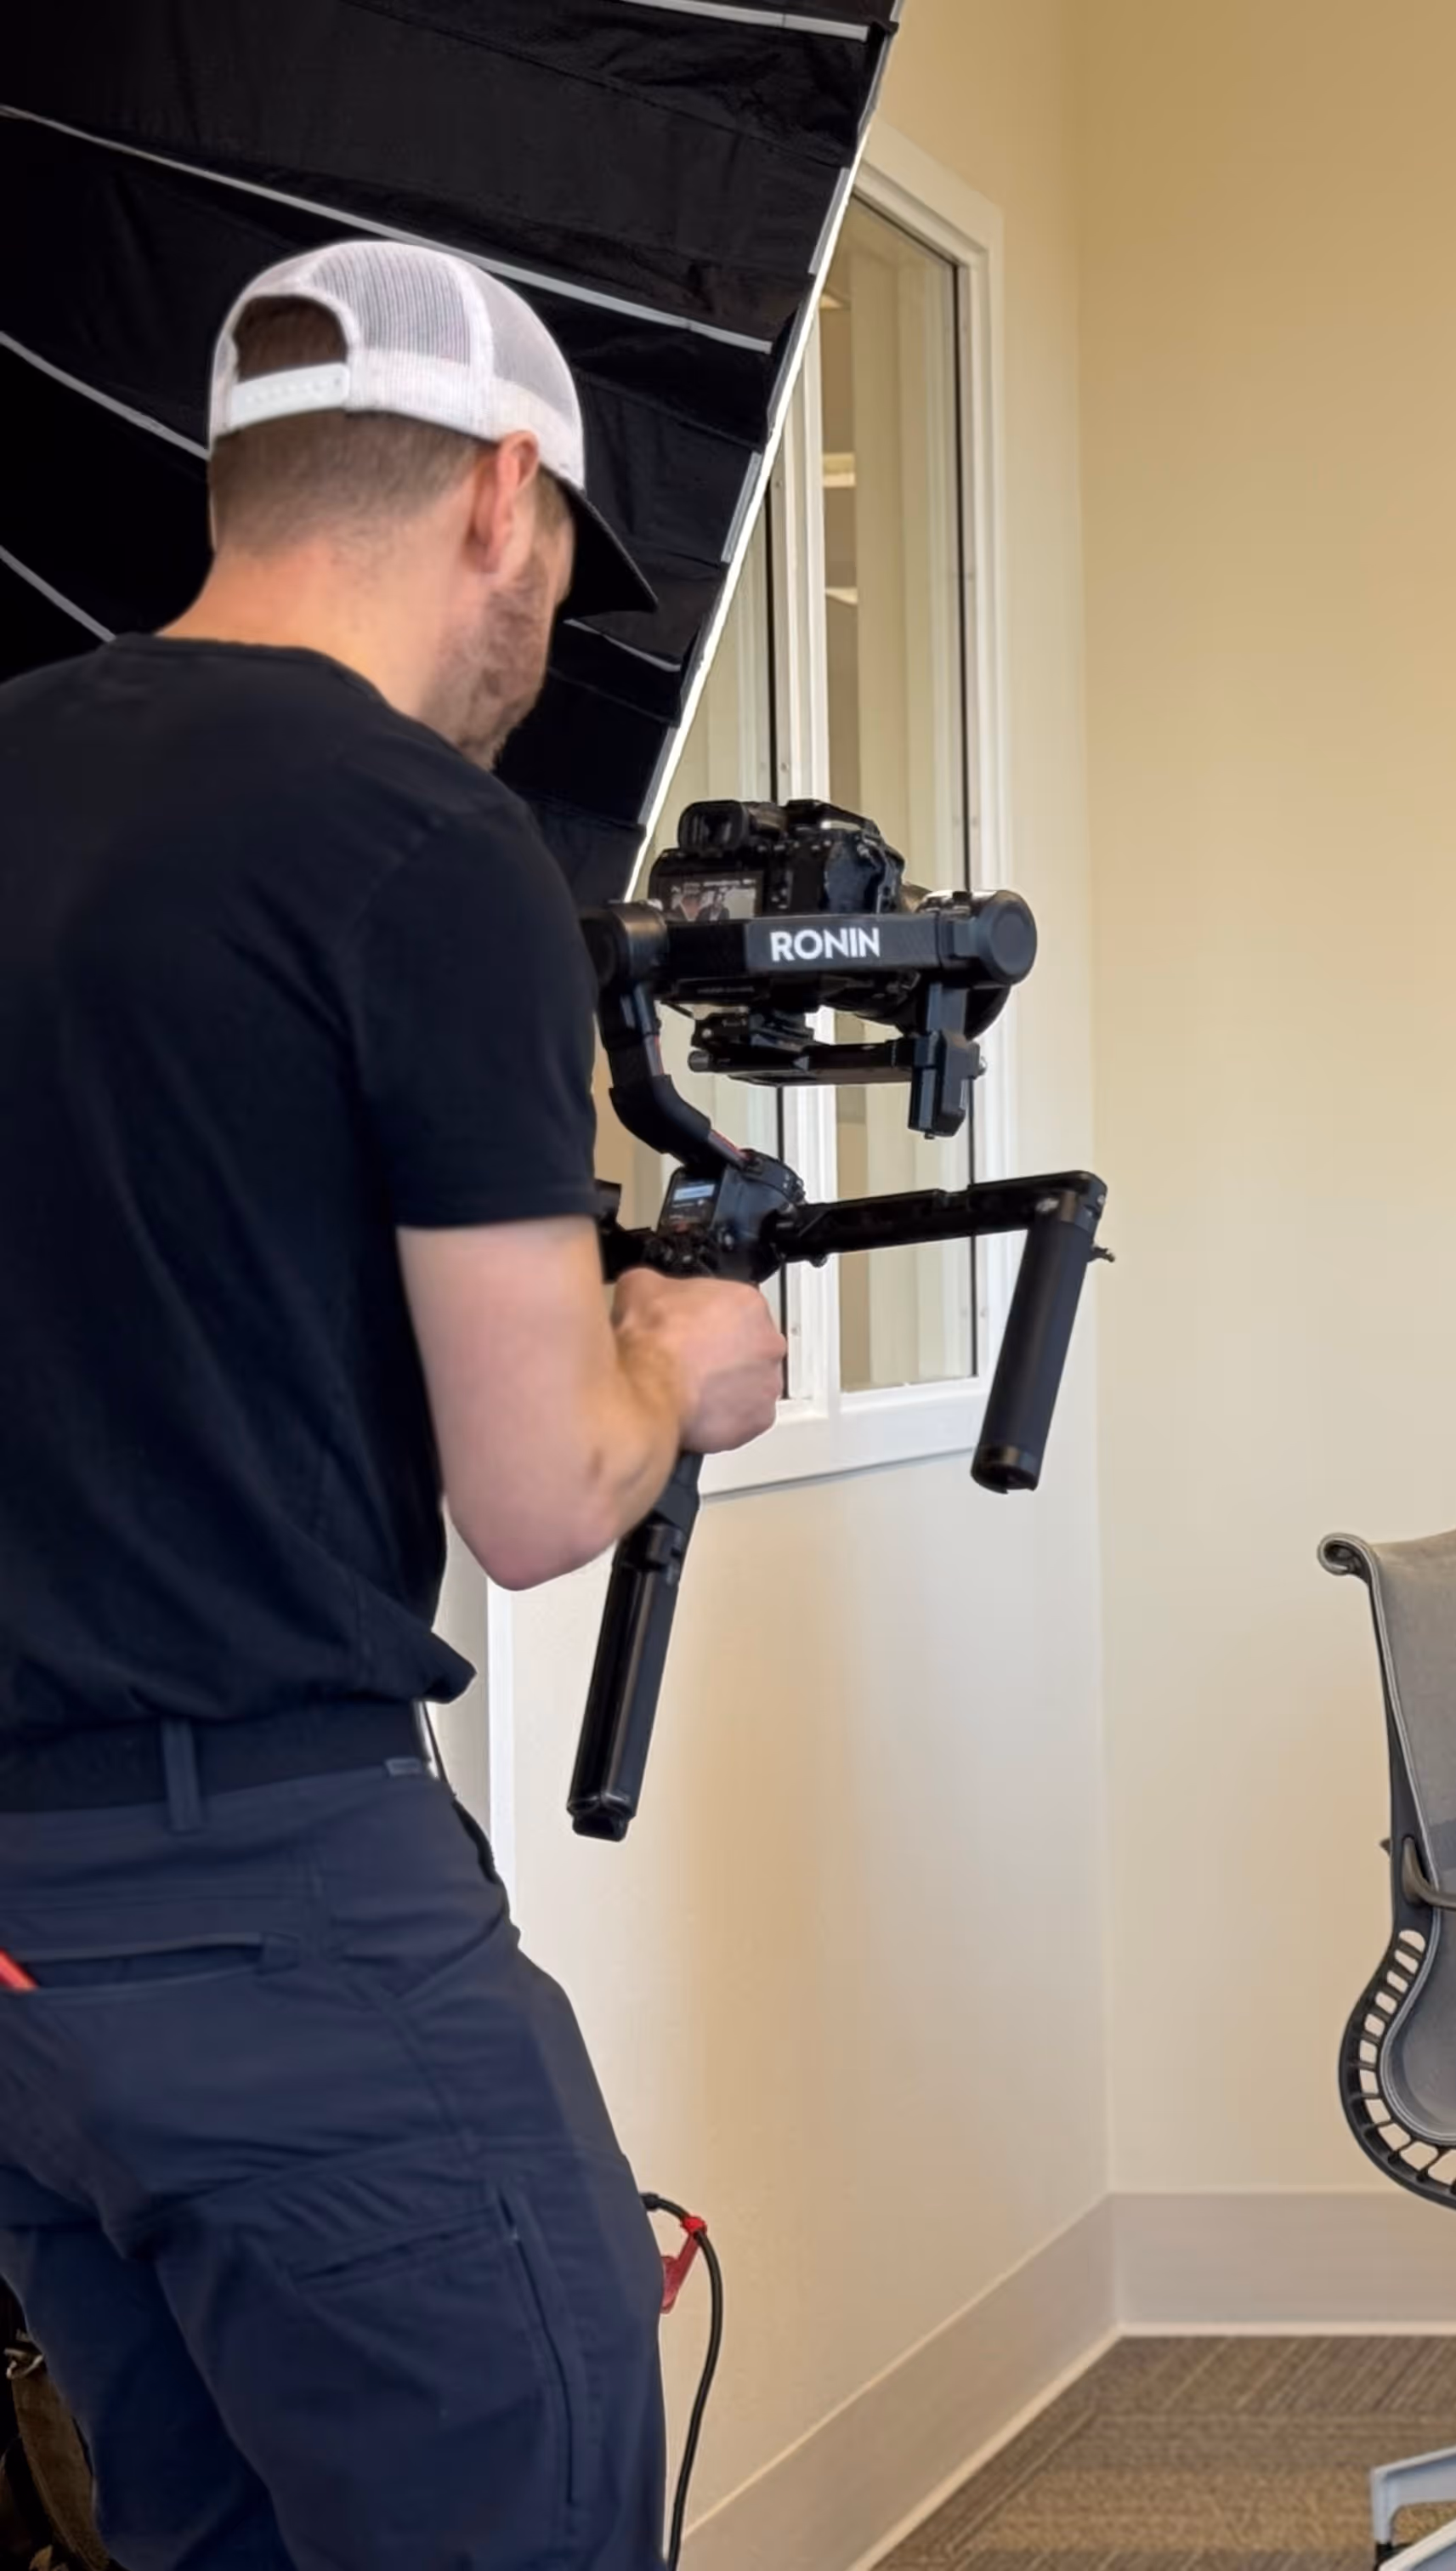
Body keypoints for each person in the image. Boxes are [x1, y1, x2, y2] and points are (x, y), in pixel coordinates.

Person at [0, 242, 785, 2565]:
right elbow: (541, 1492)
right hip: (271, 1903)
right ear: (504, 501)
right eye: (558, 567)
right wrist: (683, 1358)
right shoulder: (423, 848)